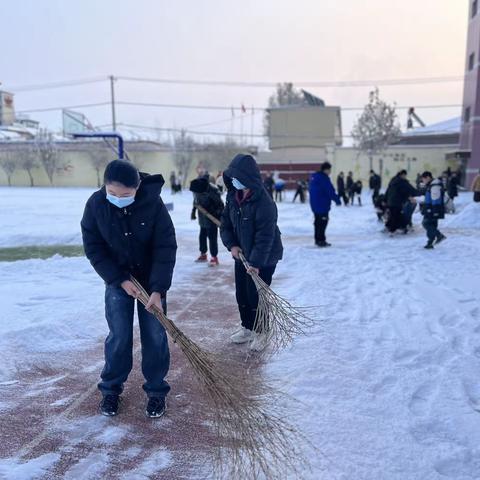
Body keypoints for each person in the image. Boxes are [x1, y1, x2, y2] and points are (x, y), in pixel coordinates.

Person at [81, 160, 177, 418]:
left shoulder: (152, 204)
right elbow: (94, 248)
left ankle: (156, 391)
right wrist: (119, 279)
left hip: (151, 282)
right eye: (112, 193)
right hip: (117, 281)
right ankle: (111, 390)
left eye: (126, 195)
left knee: (155, 336)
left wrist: (158, 289)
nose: (118, 199)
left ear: (137, 188)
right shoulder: (96, 205)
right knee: (119, 335)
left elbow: (165, 247)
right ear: (105, 186)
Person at [220, 154, 283, 351]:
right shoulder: (232, 197)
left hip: (264, 257)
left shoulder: (264, 202)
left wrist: (256, 263)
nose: (234, 181)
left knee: (257, 296)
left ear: (248, 178)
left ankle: (263, 331)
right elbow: (225, 225)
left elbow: (265, 237)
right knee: (242, 293)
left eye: (237, 178)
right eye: (231, 177)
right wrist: (232, 246)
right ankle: (248, 327)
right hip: (242, 255)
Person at [190, 176, 224, 267]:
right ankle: (203, 254)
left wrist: (214, 213)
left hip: (212, 219)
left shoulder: (213, 191)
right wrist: (193, 212)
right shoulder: (197, 189)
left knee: (212, 238)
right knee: (202, 236)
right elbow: (195, 201)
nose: (194, 193)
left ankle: (214, 257)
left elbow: (221, 205)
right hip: (202, 218)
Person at [309, 162, 341, 247]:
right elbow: (330, 191)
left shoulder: (314, 177)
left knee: (317, 222)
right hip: (322, 204)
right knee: (323, 222)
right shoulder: (323, 178)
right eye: (329, 170)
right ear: (326, 169)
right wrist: (337, 200)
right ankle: (321, 240)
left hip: (314, 204)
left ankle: (317, 240)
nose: (330, 171)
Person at [416, 171, 446, 249]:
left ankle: (439, 236)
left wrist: (435, 211)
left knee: (426, 223)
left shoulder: (434, 186)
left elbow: (435, 198)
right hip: (431, 208)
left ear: (428, 177)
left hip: (432, 208)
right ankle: (430, 243)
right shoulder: (431, 185)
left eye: (423, 179)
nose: (423, 181)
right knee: (431, 225)